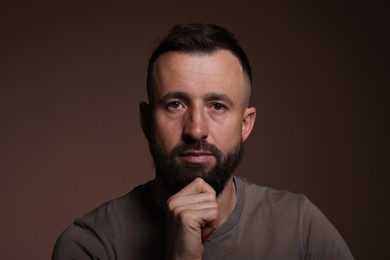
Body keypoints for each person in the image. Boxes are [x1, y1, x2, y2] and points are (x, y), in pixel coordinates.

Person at [52, 23, 354, 260]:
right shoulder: (91, 245)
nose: (196, 130)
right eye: (175, 105)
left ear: (245, 124)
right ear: (146, 121)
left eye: (217, 106)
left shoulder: (300, 227)